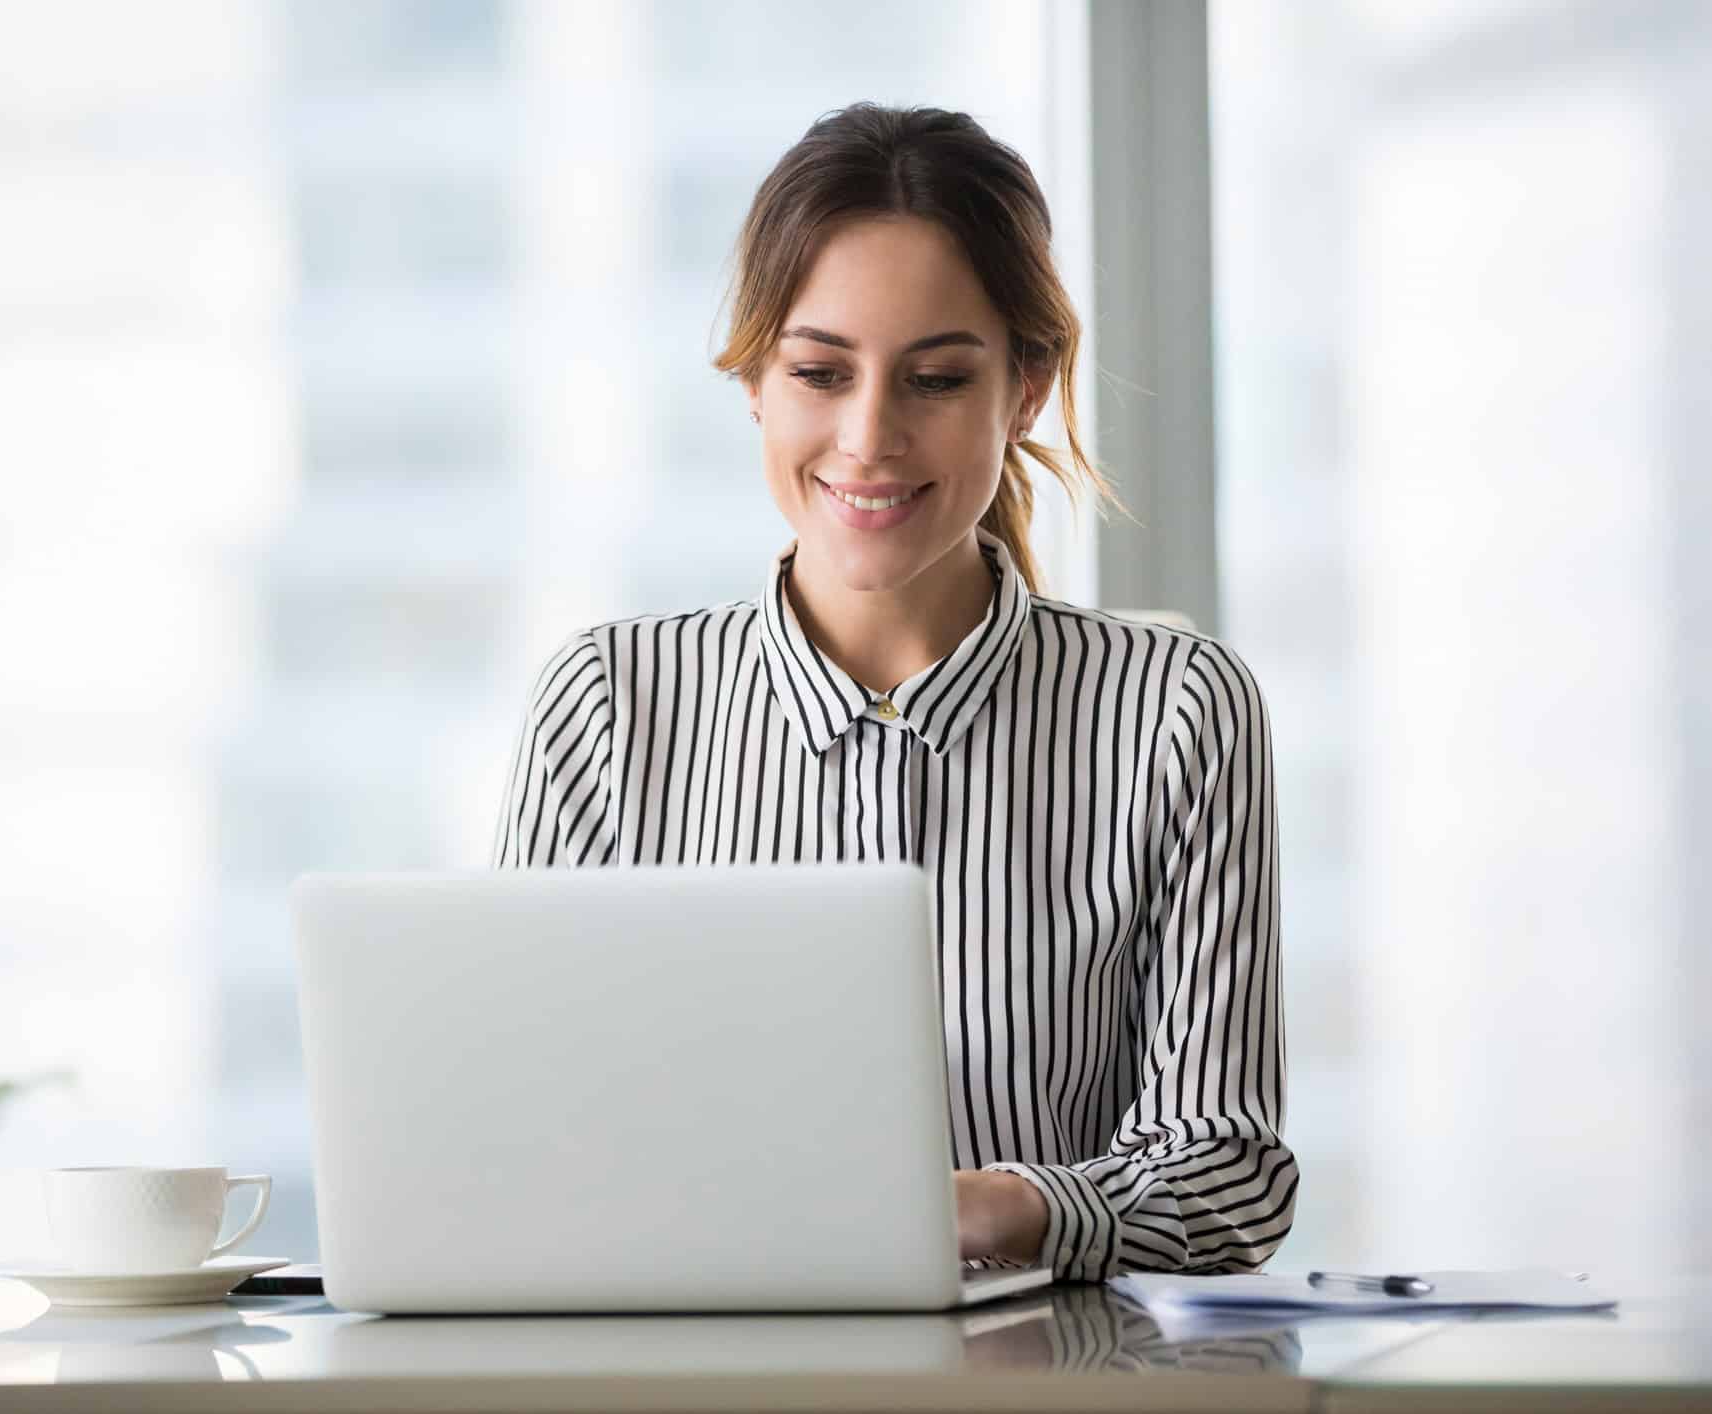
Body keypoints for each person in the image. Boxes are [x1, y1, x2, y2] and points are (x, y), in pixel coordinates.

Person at [494, 102, 1294, 1281]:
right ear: (756, 384)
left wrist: (1002, 1207)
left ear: (1023, 390)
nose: (869, 436)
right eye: (820, 371)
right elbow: (519, 1135)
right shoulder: (608, 704)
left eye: (934, 378)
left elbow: (1226, 1171)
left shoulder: (1178, 710)